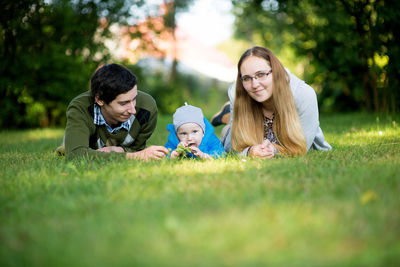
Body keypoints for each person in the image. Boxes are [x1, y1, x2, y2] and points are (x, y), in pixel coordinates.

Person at [212, 46, 331, 158]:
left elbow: (301, 147)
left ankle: (227, 117)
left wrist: (273, 150)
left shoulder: (303, 94)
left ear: (276, 72)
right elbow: (231, 147)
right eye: (247, 78)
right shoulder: (237, 92)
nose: (255, 84)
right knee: (226, 132)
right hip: (255, 131)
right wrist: (249, 151)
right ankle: (228, 118)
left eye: (261, 74)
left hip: (278, 139)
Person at [63, 63, 169, 160]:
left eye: (134, 99)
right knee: (68, 148)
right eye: (124, 103)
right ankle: (65, 145)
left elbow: (138, 148)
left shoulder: (147, 108)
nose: (133, 110)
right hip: (80, 140)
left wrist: (122, 150)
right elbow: (75, 154)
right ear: (100, 100)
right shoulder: (80, 107)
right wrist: (134, 156)